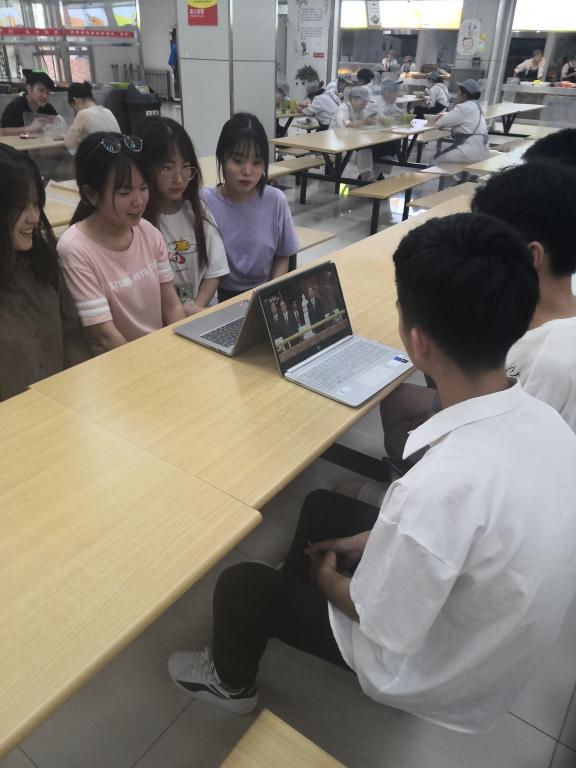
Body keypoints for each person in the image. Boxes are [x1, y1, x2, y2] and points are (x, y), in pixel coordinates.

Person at [166, 213, 576, 732]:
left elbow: (384, 621)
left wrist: (327, 580)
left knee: (240, 585)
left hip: (435, 673)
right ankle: (293, 602)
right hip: (482, 636)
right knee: (321, 507)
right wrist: (376, 541)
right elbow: (452, 540)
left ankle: (230, 685)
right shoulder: (547, 421)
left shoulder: (435, 488)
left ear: (418, 342)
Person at [57, 132, 185, 354]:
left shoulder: (148, 232)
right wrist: (148, 368)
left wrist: (183, 353)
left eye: (143, 188)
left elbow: (172, 306)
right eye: (125, 192)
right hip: (116, 364)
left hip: (160, 354)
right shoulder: (75, 249)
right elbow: (105, 336)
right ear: (91, 195)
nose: (139, 201)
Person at [472, 162, 576, 431]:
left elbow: (501, 441)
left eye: (485, 246)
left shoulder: (546, 360)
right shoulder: (550, 316)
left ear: (531, 256)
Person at [0, 144, 90, 400]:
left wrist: (83, 397)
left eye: (36, 204)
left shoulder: (43, 263)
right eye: (20, 207)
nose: (34, 217)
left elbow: (72, 337)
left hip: (60, 407)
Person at [202, 113, 299, 302]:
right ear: (222, 158)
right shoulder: (206, 201)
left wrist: (271, 295)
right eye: (238, 161)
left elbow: (283, 255)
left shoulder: (275, 200)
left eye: (257, 162)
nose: (247, 171)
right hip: (224, 297)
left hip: (265, 293)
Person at [138, 117, 229, 314]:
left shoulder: (198, 210)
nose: (178, 178)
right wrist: (183, 313)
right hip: (158, 319)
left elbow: (215, 271)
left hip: (196, 310)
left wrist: (194, 308)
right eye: (167, 168)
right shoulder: (139, 222)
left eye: (186, 166)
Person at [433, 79, 489, 164]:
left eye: (458, 92)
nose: (457, 95)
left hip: (469, 151)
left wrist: (455, 104)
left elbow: (440, 123)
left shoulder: (463, 107)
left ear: (464, 95)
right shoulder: (476, 106)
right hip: (483, 150)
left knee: (435, 162)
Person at [330, 86, 376, 181]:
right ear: (353, 99)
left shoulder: (360, 110)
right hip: (336, 145)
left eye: (365, 103)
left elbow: (363, 124)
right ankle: (366, 180)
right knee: (365, 152)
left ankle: (369, 178)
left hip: (350, 143)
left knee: (374, 150)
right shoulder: (343, 109)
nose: (364, 105)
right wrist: (363, 122)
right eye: (362, 103)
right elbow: (345, 124)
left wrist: (370, 122)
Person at [64, 81, 120, 155]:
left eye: (74, 107)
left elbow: (69, 144)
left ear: (76, 100)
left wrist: (66, 135)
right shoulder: (107, 111)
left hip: (101, 158)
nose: (76, 111)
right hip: (117, 156)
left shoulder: (83, 114)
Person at [0, 71, 57, 136]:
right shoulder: (16, 106)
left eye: (48, 92)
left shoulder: (48, 108)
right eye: (41, 90)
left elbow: (58, 123)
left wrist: (55, 123)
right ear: (29, 88)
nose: (45, 96)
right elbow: (2, 132)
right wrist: (29, 128)